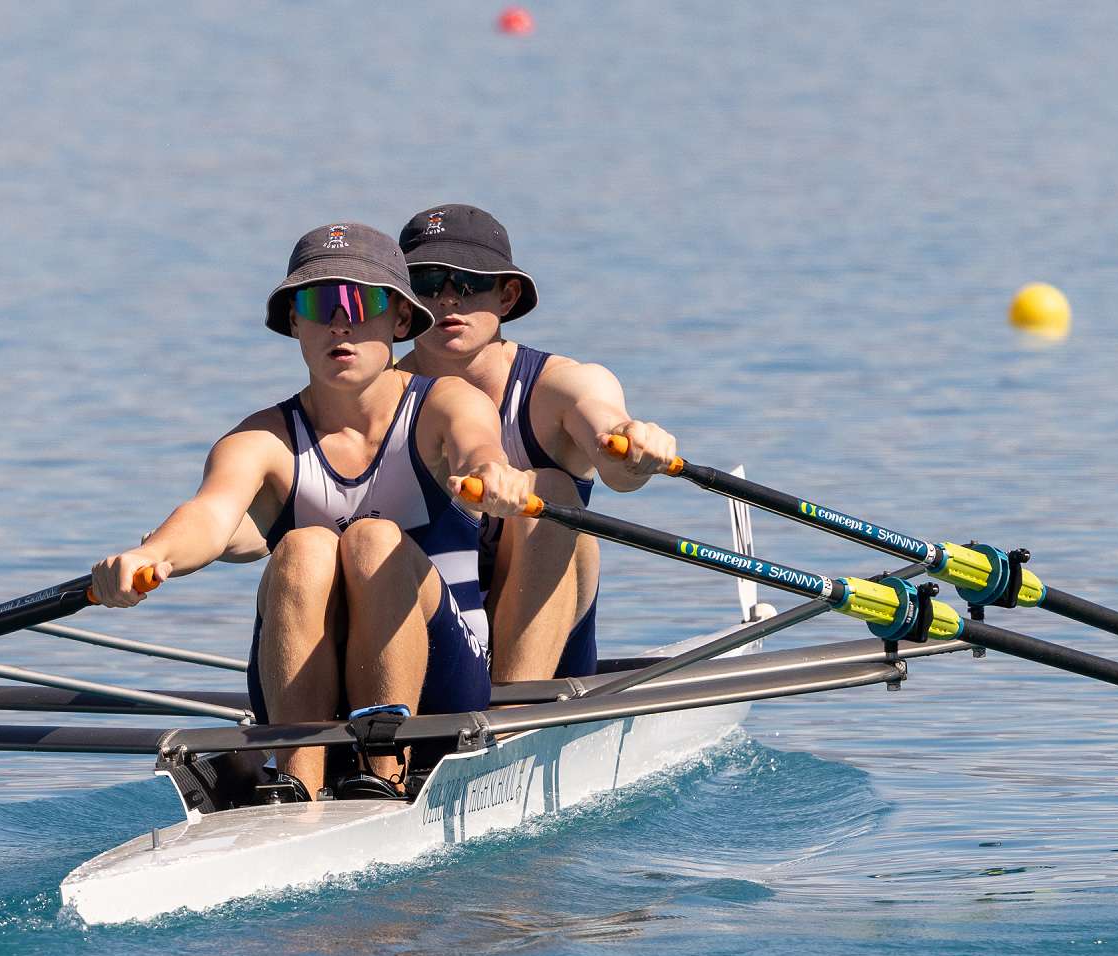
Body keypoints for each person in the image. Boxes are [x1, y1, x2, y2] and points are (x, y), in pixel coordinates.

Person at [89, 223, 538, 799]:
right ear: (294, 324)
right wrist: (151, 555)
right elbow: (210, 514)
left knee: (372, 539)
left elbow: (478, 446)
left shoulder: (445, 403)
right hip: (303, 699)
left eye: (362, 302)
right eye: (318, 305)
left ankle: (385, 771)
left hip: (444, 692)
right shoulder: (261, 438)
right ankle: (297, 783)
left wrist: (491, 471)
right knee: (304, 546)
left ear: (401, 320)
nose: (340, 323)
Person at [395, 204, 679, 682]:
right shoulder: (376, 394)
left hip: (550, 653)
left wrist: (636, 446)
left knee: (548, 490)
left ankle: (518, 706)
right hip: (425, 642)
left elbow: (613, 453)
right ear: (405, 302)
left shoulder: (559, 386)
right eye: (426, 282)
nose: (446, 299)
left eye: (467, 282)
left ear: (506, 296)